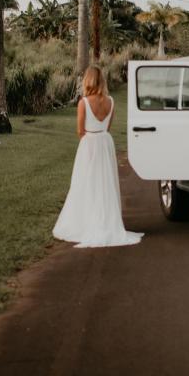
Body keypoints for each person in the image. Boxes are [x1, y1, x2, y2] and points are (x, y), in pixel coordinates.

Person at [53, 66, 143, 248]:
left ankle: (88, 221)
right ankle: (106, 220)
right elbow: (107, 127)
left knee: (87, 182)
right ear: (102, 80)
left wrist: (90, 137)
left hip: (89, 142)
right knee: (105, 182)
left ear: (88, 81)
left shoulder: (83, 103)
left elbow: (80, 130)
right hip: (105, 142)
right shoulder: (111, 101)